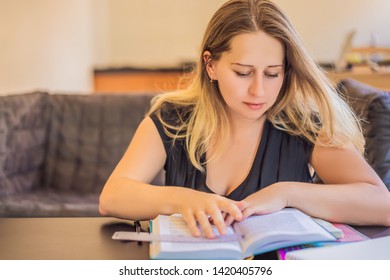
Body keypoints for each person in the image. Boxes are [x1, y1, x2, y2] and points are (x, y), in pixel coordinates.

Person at [99, 0, 390, 239]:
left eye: (272, 73)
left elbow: (383, 205)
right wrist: (185, 200)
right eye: (243, 72)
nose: (258, 90)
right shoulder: (172, 119)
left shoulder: (304, 126)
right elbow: (112, 196)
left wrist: (287, 193)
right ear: (211, 65)